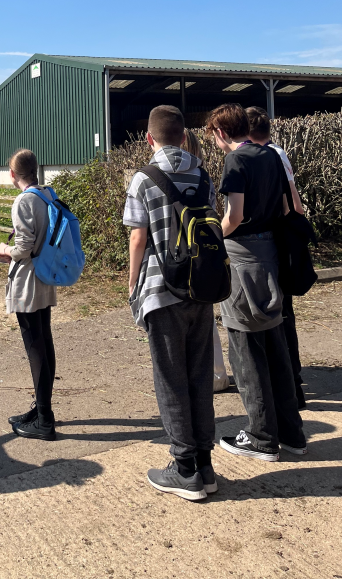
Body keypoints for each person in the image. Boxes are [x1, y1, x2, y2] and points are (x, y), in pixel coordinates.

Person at [124, 106, 217, 501]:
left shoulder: (144, 178)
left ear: (149, 139)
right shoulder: (203, 173)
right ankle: (205, 465)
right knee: (199, 376)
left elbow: (137, 239)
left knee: (170, 378)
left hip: (162, 291)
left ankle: (183, 468)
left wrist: (132, 288)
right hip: (202, 287)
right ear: (183, 137)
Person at [205, 104, 306, 462]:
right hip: (271, 255)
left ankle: (262, 437)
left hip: (242, 256)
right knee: (275, 342)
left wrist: (212, 235)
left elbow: (235, 214)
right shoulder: (271, 156)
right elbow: (284, 207)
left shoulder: (236, 161)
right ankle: (291, 430)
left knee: (245, 348)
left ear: (220, 132)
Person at [246, 106, 307, 409]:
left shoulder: (266, 156)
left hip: (274, 242)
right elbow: (296, 203)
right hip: (285, 238)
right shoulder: (277, 153)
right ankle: (292, 382)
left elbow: (289, 201)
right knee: (283, 312)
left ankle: (291, 385)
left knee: (279, 314)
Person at [0, 149, 57, 441]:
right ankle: (41, 408)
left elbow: (22, 248)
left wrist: (4, 250)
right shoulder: (47, 194)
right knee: (44, 340)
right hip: (45, 275)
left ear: (12, 174)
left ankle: (44, 419)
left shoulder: (23, 200)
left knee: (35, 345)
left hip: (28, 279)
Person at [182, 129, 229, 395]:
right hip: (206, 253)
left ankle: (199, 377)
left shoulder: (165, 175)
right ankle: (217, 375)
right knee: (206, 318)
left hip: (182, 254)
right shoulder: (204, 177)